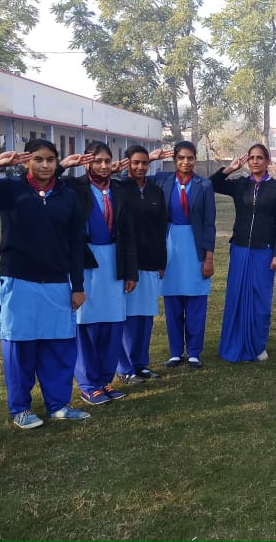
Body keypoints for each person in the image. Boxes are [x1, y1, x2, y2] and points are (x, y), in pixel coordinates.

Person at [0, 139, 90, 428]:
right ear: (27, 161)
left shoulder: (67, 196)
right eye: (38, 159)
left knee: (58, 346)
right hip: (18, 280)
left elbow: (75, 244)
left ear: (57, 162)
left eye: (51, 160)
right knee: (19, 347)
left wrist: (77, 285)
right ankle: (21, 409)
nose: (45, 165)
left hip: (56, 282)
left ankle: (58, 404)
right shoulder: (10, 190)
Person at [59, 142, 137, 404]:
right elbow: (48, 181)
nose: (103, 166)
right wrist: (63, 166)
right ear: (87, 163)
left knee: (113, 323)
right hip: (86, 260)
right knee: (87, 323)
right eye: (97, 161)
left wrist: (131, 272)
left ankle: (105, 380)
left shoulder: (119, 190)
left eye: (107, 161)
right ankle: (87, 382)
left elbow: (128, 232)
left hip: (114, 261)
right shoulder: (74, 187)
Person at [212, 143, 276, 362]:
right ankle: (233, 341)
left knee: (260, 299)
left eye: (260, 158)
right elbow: (212, 184)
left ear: (267, 162)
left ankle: (257, 345)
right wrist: (230, 169)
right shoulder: (240, 185)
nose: (255, 161)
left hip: (264, 251)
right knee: (236, 296)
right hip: (240, 248)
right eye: (251, 157)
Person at [152, 141, 216, 369]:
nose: (185, 162)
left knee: (196, 300)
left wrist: (208, 258)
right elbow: (124, 177)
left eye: (190, 158)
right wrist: (150, 158)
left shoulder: (204, 185)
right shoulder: (161, 179)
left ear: (195, 160)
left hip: (195, 246)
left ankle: (195, 351)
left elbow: (209, 224)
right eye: (181, 158)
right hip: (171, 246)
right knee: (173, 302)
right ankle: (176, 352)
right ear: (174, 160)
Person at [115, 146, 168, 382]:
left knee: (145, 317)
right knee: (127, 317)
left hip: (150, 263)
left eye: (144, 163)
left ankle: (141, 364)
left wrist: (161, 261)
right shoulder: (118, 189)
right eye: (135, 162)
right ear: (127, 163)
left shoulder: (156, 191)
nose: (139, 167)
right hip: (128, 264)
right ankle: (125, 368)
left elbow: (160, 229)